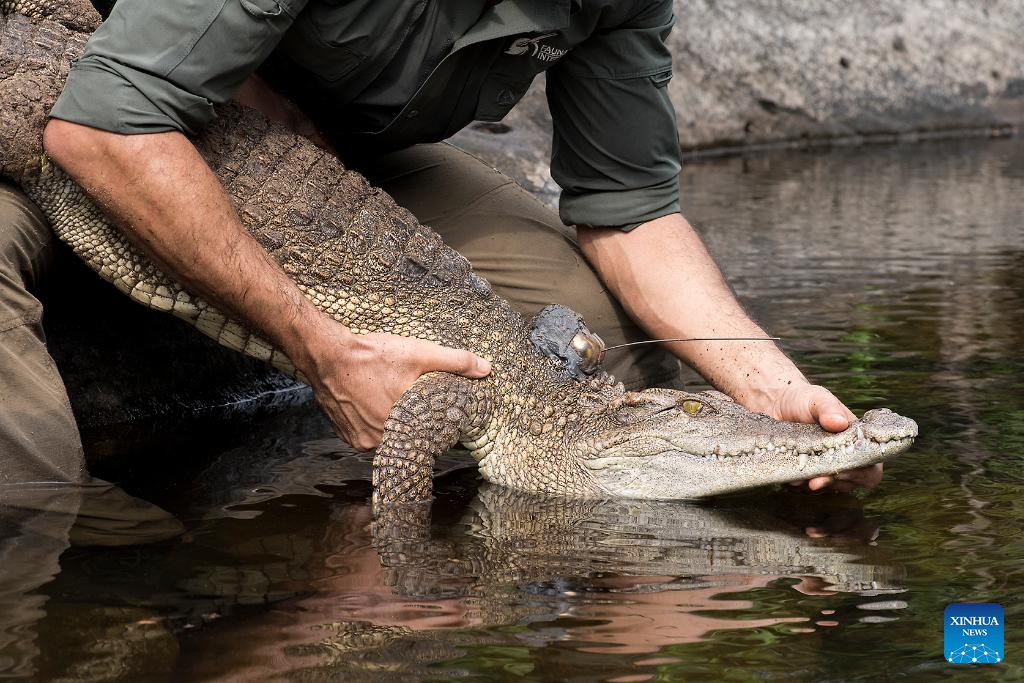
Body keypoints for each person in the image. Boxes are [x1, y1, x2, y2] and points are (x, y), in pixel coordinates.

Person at [30, 0, 878, 492]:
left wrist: (777, 392)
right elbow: (104, 124)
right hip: (95, 116)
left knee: (603, 345)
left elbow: (630, 213)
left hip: (338, 157)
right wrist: (327, 355)